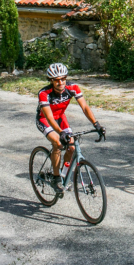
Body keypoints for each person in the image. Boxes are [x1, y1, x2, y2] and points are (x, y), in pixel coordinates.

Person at [36, 63, 105, 193]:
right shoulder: (44, 93)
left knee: (71, 147)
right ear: (51, 81)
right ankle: (56, 178)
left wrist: (96, 124)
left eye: (63, 79)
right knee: (57, 143)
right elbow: (49, 117)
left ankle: (63, 174)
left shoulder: (73, 88)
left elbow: (84, 107)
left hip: (60, 118)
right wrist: (61, 133)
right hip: (45, 120)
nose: (60, 82)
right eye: (56, 80)